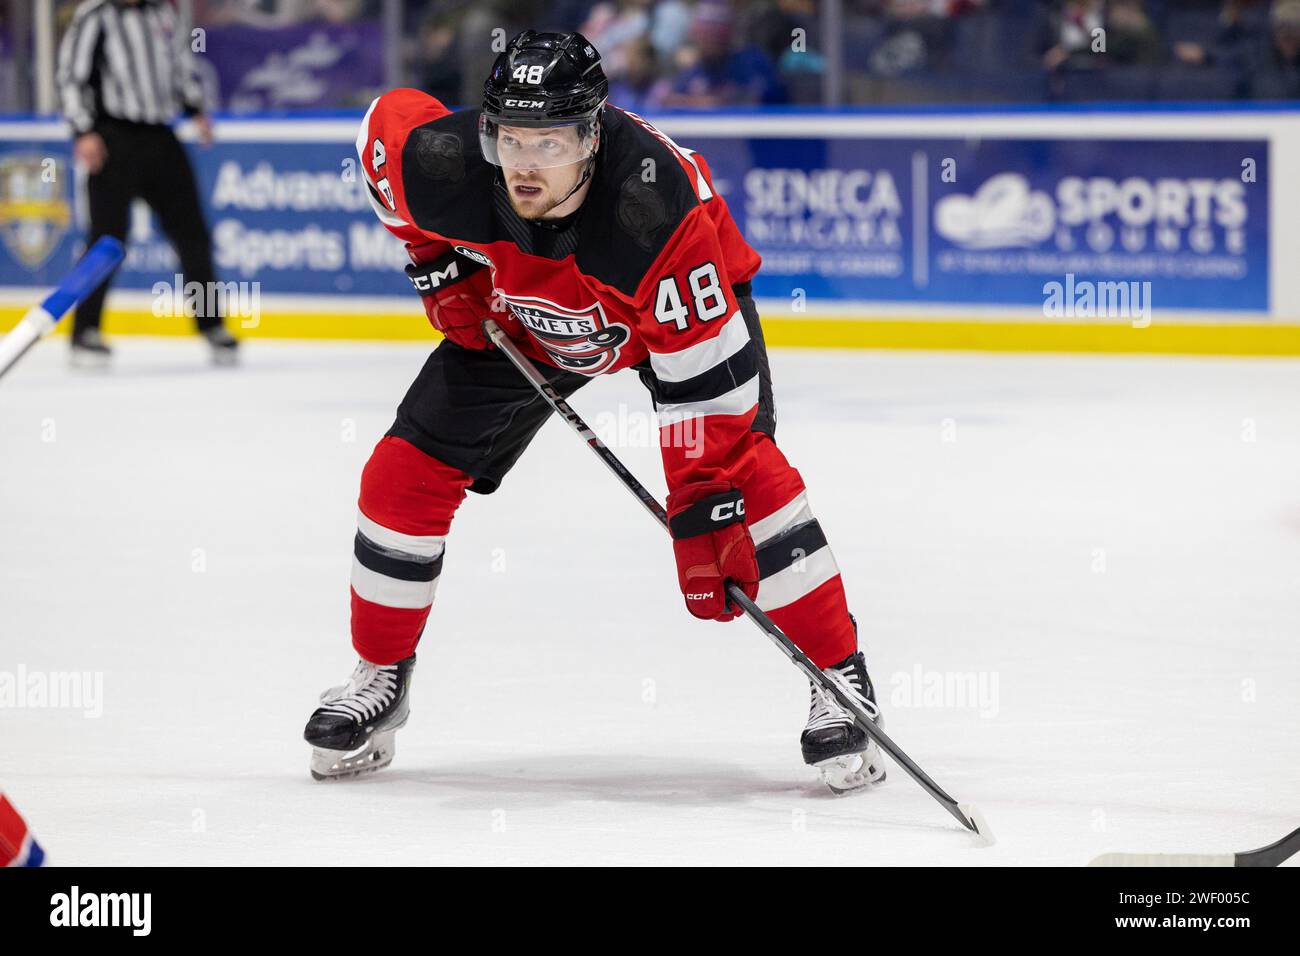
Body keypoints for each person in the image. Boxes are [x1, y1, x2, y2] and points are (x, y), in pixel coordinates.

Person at [302, 31, 884, 794]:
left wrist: (704, 509)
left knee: (750, 489)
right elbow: (382, 133)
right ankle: (380, 674)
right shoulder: (445, 166)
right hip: (529, 309)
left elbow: (710, 402)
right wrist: (434, 264)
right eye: (510, 138)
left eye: (547, 142)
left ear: (591, 132)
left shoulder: (653, 212)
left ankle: (840, 680)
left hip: (665, 320)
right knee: (399, 478)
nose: (524, 163)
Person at [56, 0, 238, 366]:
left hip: (160, 136)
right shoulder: (95, 14)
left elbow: (178, 65)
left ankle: (211, 325)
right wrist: (84, 130)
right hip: (112, 137)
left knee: (193, 233)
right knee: (106, 239)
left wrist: (195, 109)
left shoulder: (163, 12)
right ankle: (84, 332)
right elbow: (71, 76)